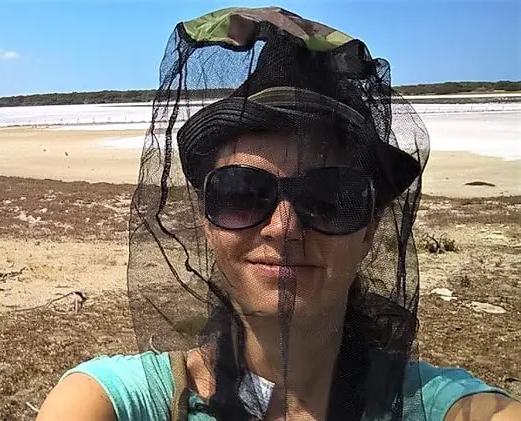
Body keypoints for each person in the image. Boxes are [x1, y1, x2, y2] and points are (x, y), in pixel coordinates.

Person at [36, 6, 520, 421]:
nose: (284, 227)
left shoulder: (439, 407)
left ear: (371, 228)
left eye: (329, 198)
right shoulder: (118, 400)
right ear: (206, 220)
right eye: (242, 193)